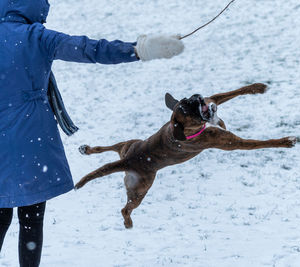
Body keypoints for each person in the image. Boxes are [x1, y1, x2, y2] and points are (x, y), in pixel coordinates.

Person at [0, 0, 184, 266]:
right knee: (31, 216)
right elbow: (89, 49)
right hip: (30, 138)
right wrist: (137, 50)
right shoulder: (36, 37)